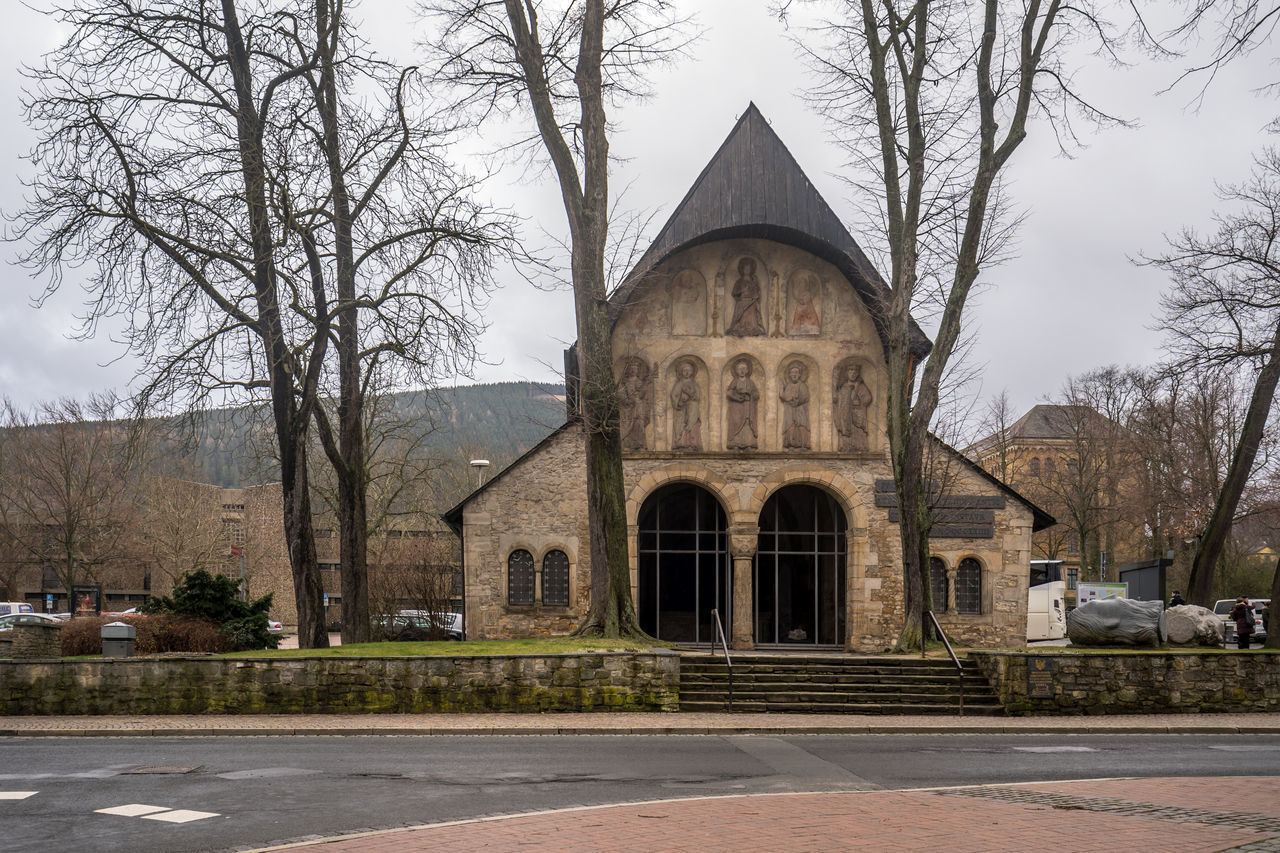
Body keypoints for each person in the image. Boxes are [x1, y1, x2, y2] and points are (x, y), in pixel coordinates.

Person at [834, 362, 873, 452]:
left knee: (857, 430)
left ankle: (859, 447)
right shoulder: (843, 386)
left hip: (857, 412)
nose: (853, 373)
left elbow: (868, 398)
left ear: (858, 373)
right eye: (851, 371)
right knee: (845, 430)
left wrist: (860, 401)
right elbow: (839, 400)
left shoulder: (860, 386)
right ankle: (845, 447)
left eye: (855, 371)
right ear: (847, 373)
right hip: (845, 414)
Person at [724, 358, 759, 450]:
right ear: (736, 371)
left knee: (747, 423)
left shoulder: (750, 382)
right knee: (736, 423)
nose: (742, 370)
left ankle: (748, 444)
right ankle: (735, 444)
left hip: (748, 406)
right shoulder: (735, 381)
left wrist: (752, 395)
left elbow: (756, 394)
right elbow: (729, 393)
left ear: (747, 370)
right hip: (737, 408)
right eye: (740, 369)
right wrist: (737, 397)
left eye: (744, 368)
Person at [727, 257, 765, 336]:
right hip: (742, 302)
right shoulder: (739, 281)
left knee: (752, 311)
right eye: (745, 268)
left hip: (752, 302)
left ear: (751, 270)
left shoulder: (754, 281)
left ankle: (753, 329)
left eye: (749, 268)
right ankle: (742, 328)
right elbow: (734, 293)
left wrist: (755, 295)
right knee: (742, 316)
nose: (747, 270)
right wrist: (742, 291)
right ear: (742, 269)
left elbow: (757, 292)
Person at [779, 361, 811, 450]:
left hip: (801, 410)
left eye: (796, 372)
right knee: (790, 426)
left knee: (802, 426)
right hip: (789, 410)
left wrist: (797, 401)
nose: (794, 374)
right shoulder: (788, 386)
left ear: (800, 374)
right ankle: (791, 445)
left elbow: (805, 397)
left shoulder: (803, 385)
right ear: (789, 374)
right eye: (792, 372)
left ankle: (804, 445)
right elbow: (785, 397)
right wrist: (782, 392)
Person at [670, 360, 701, 451]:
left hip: (692, 409)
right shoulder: (679, 384)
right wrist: (679, 401)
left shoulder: (694, 384)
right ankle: (681, 443)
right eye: (684, 370)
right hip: (682, 409)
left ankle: (692, 443)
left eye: (689, 370)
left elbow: (697, 396)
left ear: (692, 372)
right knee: (680, 425)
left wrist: (691, 396)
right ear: (681, 372)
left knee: (693, 424)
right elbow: (673, 395)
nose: (687, 372)